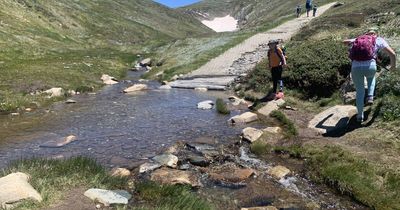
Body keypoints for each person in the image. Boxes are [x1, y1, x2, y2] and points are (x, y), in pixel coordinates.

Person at [343, 28, 397, 122]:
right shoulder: (378, 39)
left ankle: (360, 116)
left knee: (360, 91)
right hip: (370, 65)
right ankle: (370, 96)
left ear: (366, 33)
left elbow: (344, 42)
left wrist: (348, 41)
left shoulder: (358, 38)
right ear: (376, 33)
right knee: (371, 79)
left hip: (356, 67)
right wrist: (393, 67)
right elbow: (392, 54)